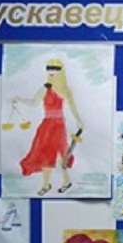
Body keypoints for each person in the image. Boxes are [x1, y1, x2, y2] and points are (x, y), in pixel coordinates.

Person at [15, 58, 84, 196]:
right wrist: (19, 99)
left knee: (61, 155)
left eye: (55, 69)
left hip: (58, 125)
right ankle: (46, 185)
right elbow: (34, 102)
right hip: (46, 125)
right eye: (49, 68)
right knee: (45, 154)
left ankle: (66, 181)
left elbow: (72, 106)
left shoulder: (65, 89)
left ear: (61, 71)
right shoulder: (46, 87)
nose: (51, 72)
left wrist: (78, 120)